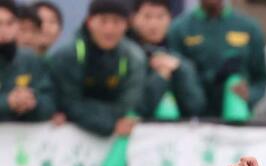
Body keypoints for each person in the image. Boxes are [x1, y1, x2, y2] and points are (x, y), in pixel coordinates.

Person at [48, 0, 145, 137]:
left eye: (117, 22)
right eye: (103, 21)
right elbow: (68, 103)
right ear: (89, 22)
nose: (109, 29)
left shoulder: (134, 57)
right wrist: (110, 124)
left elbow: (127, 104)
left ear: (127, 24)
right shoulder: (67, 55)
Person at [167, 0, 266, 118]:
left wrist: (249, 94)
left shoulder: (249, 27)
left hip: (237, 115)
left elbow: (262, 80)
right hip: (192, 118)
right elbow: (174, 78)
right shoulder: (179, 29)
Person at [130, 0, 205, 120]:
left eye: (160, 17)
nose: (154, 24)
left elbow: (195, 107)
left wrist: (179, 69)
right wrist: (161, 77)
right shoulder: (128, 56)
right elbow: (136, 108)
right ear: (133, 19)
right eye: (147, 17)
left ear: (170, 19)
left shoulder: (179, 55)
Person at [0, 0, 54, 121]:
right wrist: (7, 102)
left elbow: (49, 102)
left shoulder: (31, 60)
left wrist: (31, 102)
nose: (3, 30)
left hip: (23, 137)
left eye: (9, 23)